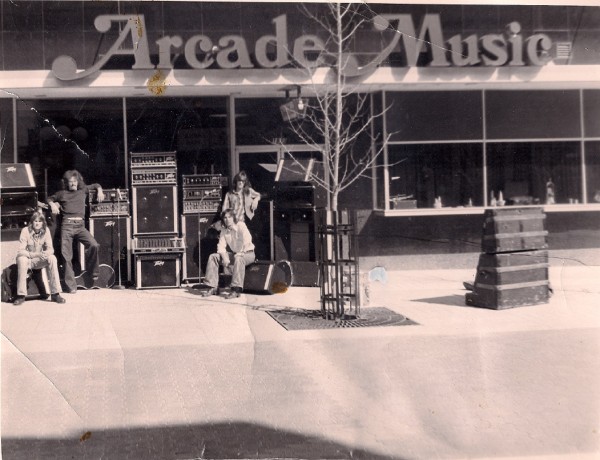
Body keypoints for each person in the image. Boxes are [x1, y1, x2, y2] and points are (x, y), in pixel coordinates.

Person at [47, 170, 105, 293]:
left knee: (94, 245)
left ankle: (93, 272)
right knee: (66, 256)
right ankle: (71, 286)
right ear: (66, 183)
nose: (72, 184)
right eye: (70, 182)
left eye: (74, 181)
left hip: (80, 226)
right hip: (66, 226)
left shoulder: (82, 191)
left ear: (78, 182)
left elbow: (96, 185)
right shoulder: (61, 194)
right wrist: (52, 204)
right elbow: (49, 198)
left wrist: (100, 191)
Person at [198, 209, 256, 299]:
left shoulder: (241, 225)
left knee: (238, 258)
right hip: (235, 254)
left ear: (233, 218)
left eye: (229, 217)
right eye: (225, 218)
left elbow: (247, 240)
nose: (227, 219)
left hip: (248, 253)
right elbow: (221, 246)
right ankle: (212, 287)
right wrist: (225, 258)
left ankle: (236, 289)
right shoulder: (224, 230)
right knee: (213, 257)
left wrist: (241, 253)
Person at [13, 211, 66, 305]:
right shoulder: (25, 230)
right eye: (35, 221)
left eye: (39, 221)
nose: (37, 223)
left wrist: (44, 254)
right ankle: (21, 295)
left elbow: (51, 249)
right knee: (22, 259)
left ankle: (55, 293)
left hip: (38, 261)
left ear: (43, 223)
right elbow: (21, 251)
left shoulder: (46, 231)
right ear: (32, 222)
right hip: (28, 260)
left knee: (52, 258)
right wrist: (36, 254)